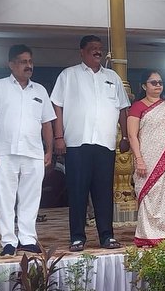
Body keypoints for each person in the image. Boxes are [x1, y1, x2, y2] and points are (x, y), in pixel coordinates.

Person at [51, 35, 130, 252]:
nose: (97, 51)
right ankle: (77, 237)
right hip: (77, 143)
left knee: (104, 192)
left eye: (99, 48)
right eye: (92, 48)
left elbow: (123, 108)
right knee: (77, 192)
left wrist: (124, 137)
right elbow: (56, 106)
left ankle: (107, 236)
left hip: (105, 143)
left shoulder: (112, 77)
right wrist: (59, 137)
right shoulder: (68, 75)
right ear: (82, 52)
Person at [0, 45, 56, 256]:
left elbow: (47, 123)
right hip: (4, 153)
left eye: (30, 61)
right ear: (11, 64)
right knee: (5, 198)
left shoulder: (39, 90)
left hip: (33, 152)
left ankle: (28, 238)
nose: (28, 66)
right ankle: (8, 241)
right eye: (23, 62)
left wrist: (49, 151)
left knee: (31, 197)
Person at [126, 70, 165, 247]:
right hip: (147, 158)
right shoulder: (138, 107)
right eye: (153, 83)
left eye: (160, 82)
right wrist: (139, 159)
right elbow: (132, 135)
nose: (158, 85)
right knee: (149, 194)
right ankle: (148, 234)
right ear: (144, 86)